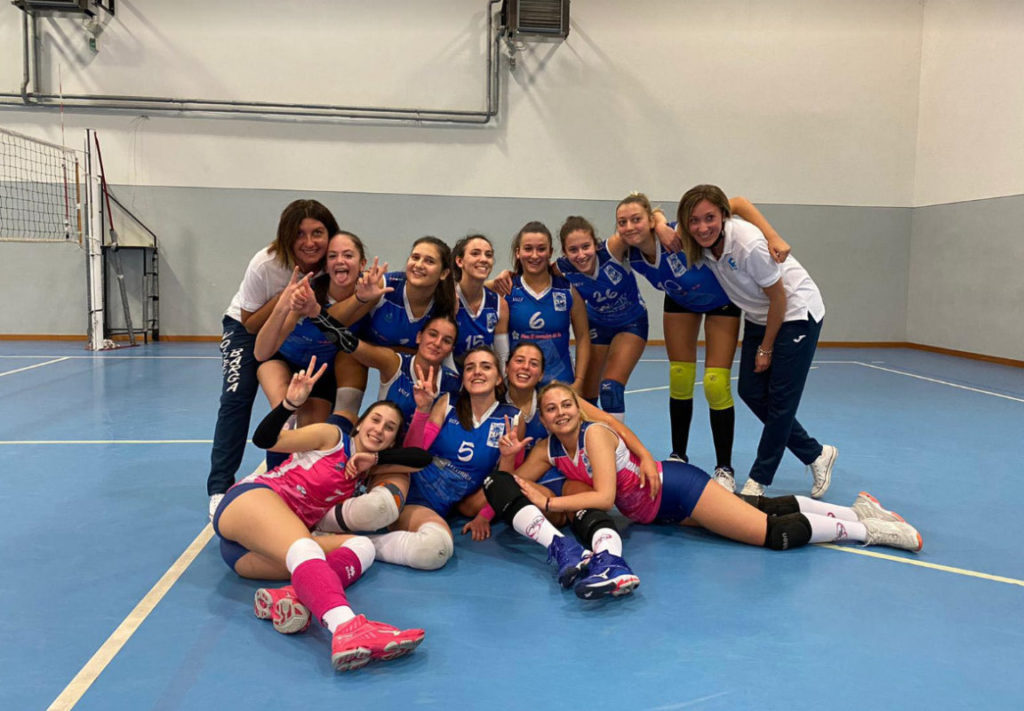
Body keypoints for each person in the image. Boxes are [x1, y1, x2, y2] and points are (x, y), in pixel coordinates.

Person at [483, 382, 922, 600]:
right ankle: (859, 510)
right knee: (756, 508)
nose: (560, 413)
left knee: (770, 533)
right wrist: (507, 460)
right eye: (551, 409)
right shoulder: (547, 449)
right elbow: (514, 481)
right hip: (661, 511)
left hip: (678, 489)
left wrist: (550, 501)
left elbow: (603, 498)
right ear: (542, 417)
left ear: (578, 409)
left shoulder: (594, 435)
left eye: (566, 405)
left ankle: (869, 531)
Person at [212, 359, 432, 671]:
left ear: (392, 441)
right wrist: (290, 405)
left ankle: (294, 596)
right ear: (359, 424)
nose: (379, 429)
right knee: (306, 546)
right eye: (375, 420)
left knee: (361, 546)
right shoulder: (332, 438)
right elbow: (266, 440)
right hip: (250, 502)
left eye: (389, 428)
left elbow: (421, 459)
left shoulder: (366, 468)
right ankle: (346, 627)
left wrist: (376, 459)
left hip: (245, 557)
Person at [612, 192, 790, 492]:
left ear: (651, 220)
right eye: (623, 222)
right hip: (680, 302)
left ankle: (724, 468)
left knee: (715, 383)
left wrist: (772, 236)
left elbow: (737, 203)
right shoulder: (629, 251)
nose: (630, 227)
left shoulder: (678, 233)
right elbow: (590, 254)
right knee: (680, 376)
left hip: (721, 302)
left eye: (637, 219)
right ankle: (678, 456)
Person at [676, 184, 836, 498]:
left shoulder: (747, 244)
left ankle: (758, 480)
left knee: (781, 400)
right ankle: (816, 454)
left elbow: (779, 298)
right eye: (694, 220)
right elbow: (735, 202)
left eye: (710, 218)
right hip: (759, 314)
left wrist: (766, 347)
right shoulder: (699, 241)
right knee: (749, 390)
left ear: (722, 216)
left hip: (795, 312)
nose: (703, 227)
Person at [206, 199, 338, 519]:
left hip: (295, 330)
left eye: (317, 233)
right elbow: (251, 323)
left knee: (300, 402)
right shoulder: (266, 263)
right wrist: (283, 298)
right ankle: (220, 487)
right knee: (237, 397)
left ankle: (294, 478)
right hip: (247, 328)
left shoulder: (332, 262)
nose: (309, 242)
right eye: (300, 234)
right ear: (286, 236)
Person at [460, 341, 661, 541]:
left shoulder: (554, 398)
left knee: (583, 500)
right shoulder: (498, 406)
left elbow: (609, 421)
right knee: (474, 506)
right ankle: (553, 520)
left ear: (541, 374)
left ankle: (600, 542)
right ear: (506, 367)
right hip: (527, 472)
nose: (525, 367)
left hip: (561, 472)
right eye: (519, 361)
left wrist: (645, 455)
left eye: (533, 363)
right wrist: (484, 515)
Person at [367, 347, 521, 570]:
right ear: (464, 378)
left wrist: (485, 516)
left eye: (486, 367)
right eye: (470, 368)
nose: (477, 372)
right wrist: (422, 410)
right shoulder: (448, 403)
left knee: (438, 547)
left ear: (498, 378)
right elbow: (413, 453)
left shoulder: (511, 417)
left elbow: (505, 478)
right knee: (379, 507)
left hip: (431, 505)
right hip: (405, 479)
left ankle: (360, 544)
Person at [555, 216, 648, 422]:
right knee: (585, 398)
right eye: (573, 250)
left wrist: (658, 220)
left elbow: (640, 227)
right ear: (564, 252)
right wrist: (502, 278)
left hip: (631, 322)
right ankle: (589, 438)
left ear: (595, 244)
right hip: (597, 324)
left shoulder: (612, 249)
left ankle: (617, 441)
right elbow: (529, 274)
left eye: (586, 247)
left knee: (610, 388)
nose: (581, 255)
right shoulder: (561, 268)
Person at [504, 221, 591, 389]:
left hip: (560, 382)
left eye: (541, 249)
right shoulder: (507, 289)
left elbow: (583, 337)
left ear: (550, 252)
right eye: (528, 249)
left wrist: (579, 381)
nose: (535, 255)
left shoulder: (568, 289)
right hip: (519, 385)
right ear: (518, 253)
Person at [451, 234, 510, 365]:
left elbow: (502, 356)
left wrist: (502, 378)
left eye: (488, 255)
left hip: (483, 375)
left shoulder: (499, 304)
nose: (483, 259)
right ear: (460, 261)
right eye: (475, 253)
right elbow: (443, 353)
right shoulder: (449, 299)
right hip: (450, 374)